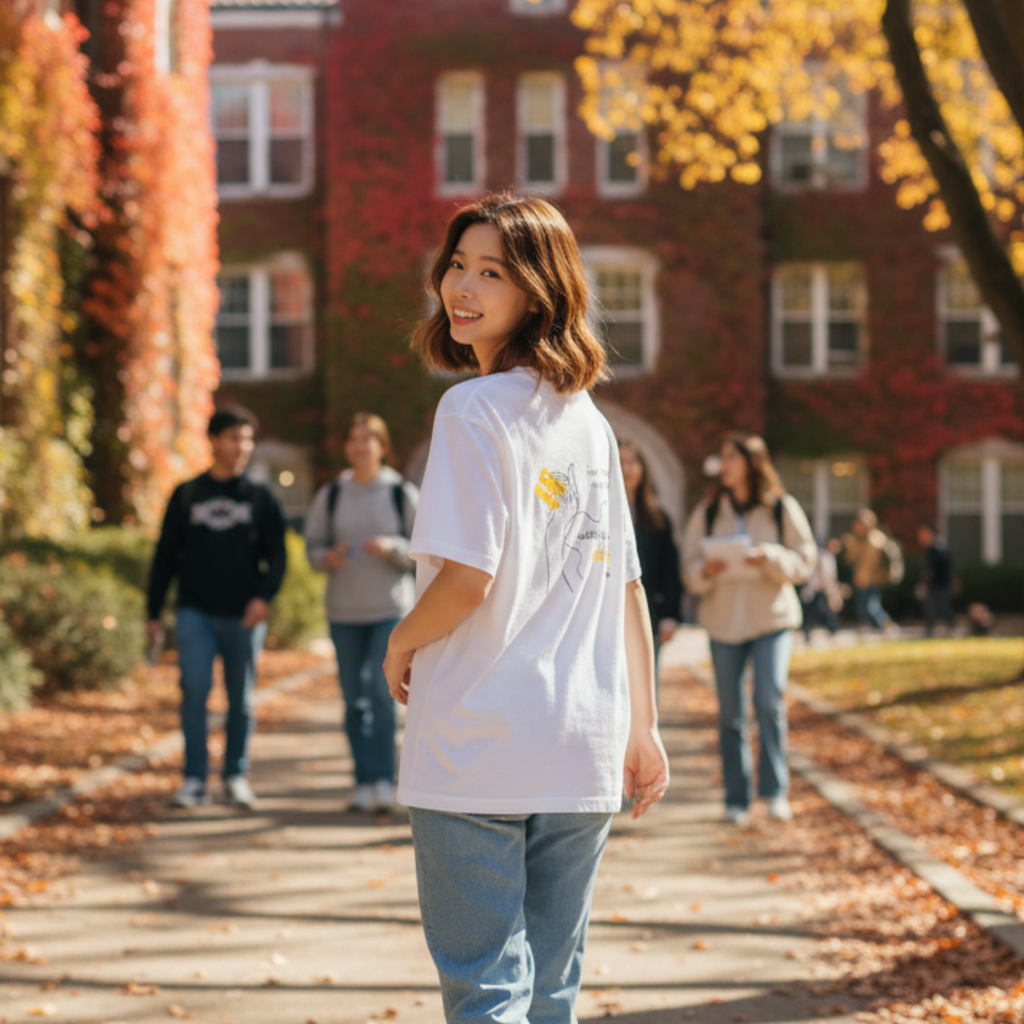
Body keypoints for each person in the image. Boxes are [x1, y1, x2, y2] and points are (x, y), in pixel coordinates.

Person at [382, 193, 669, 1023]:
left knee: (486, 988)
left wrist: (400, 641)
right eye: (457, 266)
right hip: (582, 745)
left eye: (492, 273)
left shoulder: (471, 410)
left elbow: (468, 578)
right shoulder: (590, 423)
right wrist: (642, 727)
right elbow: (626, 586)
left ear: (540, 292)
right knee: (549, 993)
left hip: (478, 740)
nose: (462, 288)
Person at [146, 408, 287, 810]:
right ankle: (194, 779)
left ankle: (235, 776)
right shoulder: (187, 494)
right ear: (213, 440)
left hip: (244, 616)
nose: (242, 446)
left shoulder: (260, 497)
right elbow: (165, 557)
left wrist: (263, 598)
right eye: (233, 438)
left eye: (247, 438)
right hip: (196, 612)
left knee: (240, 700)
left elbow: (278, 557)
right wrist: (153, 612)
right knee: (194, 691)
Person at [682, 433, 816, 826]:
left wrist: (770, 557)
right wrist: (706, 571)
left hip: (772, 620)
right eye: (722, 457)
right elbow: (688, 567)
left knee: (769, 702)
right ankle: (736, 798)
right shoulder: (708, 511)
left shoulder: (781, 508)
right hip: (723, 623)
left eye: (731, 457)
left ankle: (775, 792)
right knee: (731, 715)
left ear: (751, 462)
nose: (723, 464)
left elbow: (805, 560)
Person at [304, 412, 418, 813]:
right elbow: (312, 547)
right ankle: (363, 782)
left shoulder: (401, 492)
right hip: (344, 612)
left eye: (368, 438)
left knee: (381, 695)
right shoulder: (332, 494)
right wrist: (327, 557)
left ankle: (384, 780)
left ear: (382, 446)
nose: (360, 445)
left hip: (390, 611)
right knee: (354, 700)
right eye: (353, 438)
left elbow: (427, 550)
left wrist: (393, 547)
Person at [618, 441, 683, 670]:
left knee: (646, 682)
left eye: (632, 462)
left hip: (648, 614)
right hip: (610, 617)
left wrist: (670, 615)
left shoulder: (657, 518)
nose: (627, 469)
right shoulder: (599, 513)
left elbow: (670, 568)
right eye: (620, 462)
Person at [842, 508, 904, 631]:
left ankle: (887, 625)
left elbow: (880, 560)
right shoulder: (856, 539)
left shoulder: (876, 539)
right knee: (862, 607)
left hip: (873, 580)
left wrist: (886, 574)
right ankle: (868, 627)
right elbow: (850, 560)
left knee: (871, 606)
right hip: (861, 580)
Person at [916, 522, 956, 637]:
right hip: (934, 584)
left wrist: (924, 582)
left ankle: (952, 629)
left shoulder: (938, 548)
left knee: (943, 608)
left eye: (923, 534)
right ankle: (929, 631)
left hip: (940, 583)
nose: (921, 537)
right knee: (930, 609)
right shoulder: (930, 549)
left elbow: (935, 569)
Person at [799, 537, 841, 642]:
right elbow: (825, 575)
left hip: (821, 588)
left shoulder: (828, 556)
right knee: (816, 611)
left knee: (821, 610)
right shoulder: (823, 556)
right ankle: (810, 631)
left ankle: (831, 630)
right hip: (817, 588)